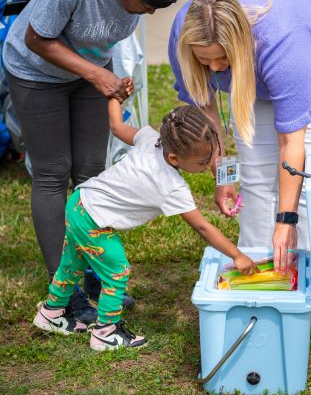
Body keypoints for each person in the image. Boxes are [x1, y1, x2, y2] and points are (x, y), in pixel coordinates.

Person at [3, 0, 183, 321]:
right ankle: (63, 292)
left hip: (88, 75)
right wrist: (96, 74)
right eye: (148, 3)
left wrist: (111, 76)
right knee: (53, 173)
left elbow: (104, 41)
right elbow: (37, 39)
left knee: (90, 171)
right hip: (35, 73)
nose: (150, 12)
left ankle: (95, 274)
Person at [168, 0, 311, 273]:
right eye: (204, 60)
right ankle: (255, 271)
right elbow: (209, 117)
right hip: (258, 69)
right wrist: (223, 179)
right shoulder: (184, 35)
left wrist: (285, 222)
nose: (215, 69)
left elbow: (292, 143)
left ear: (240, 44)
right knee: (256, 178)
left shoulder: (284, 43)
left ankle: (298, 279)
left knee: (306, 183)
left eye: (222, 58)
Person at [32, 103, 258, 351]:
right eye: (204, 161)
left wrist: (115, 97)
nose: (209, 165)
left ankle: (51, 313)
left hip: (79, 204)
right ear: (174, 159)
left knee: (72, 264)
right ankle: (106, 332)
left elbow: (117, 126)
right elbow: (203, 228)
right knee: (116, 271)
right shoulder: (171, 186)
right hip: (94, 221)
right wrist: (236, 255)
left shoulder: (151, 138)